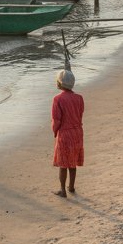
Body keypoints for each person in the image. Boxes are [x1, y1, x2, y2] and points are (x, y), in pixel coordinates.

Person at [52, 69, 84, 198]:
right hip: (77, 132)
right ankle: (71, 187)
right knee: (73, 162)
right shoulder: (79, 98)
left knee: (63, 163)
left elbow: (56, 119)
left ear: (60, 83)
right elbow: (80, 113)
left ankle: (62, 190)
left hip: (65, 133)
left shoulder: (58, 99)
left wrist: (55, 131)